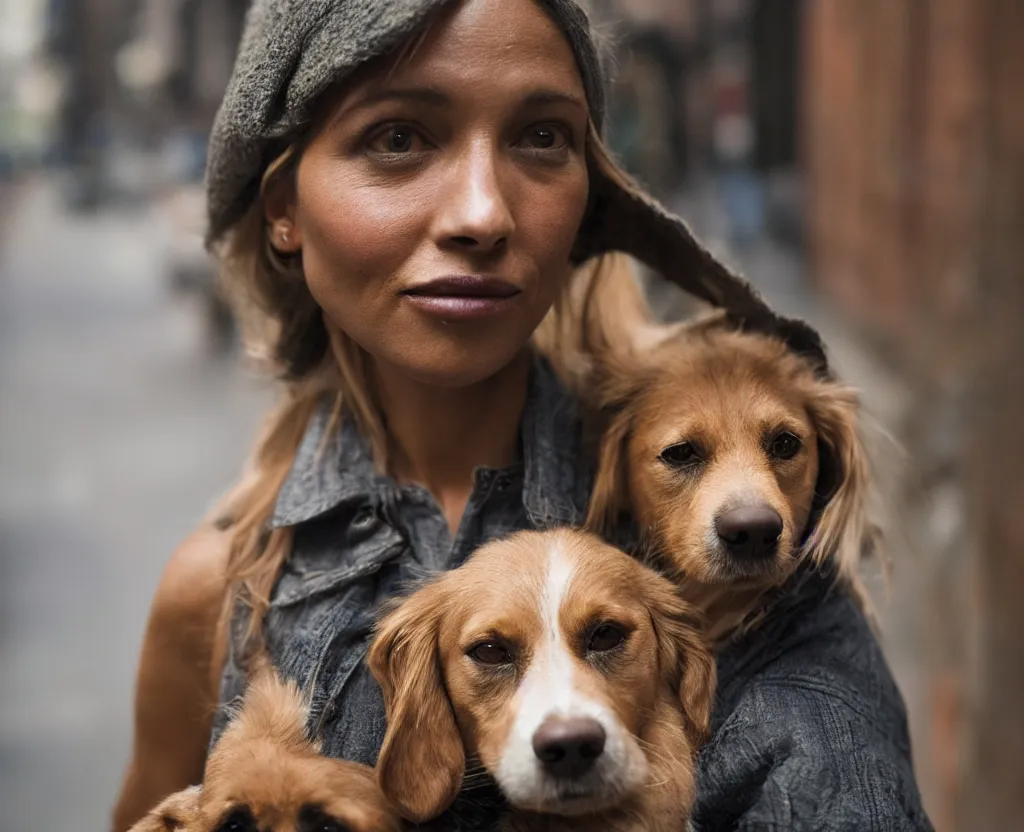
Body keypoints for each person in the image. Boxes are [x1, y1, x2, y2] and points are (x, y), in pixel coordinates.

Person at [112, 1, 933, 830]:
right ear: (284, 206)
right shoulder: (219, 594)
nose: (484, 214)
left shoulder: (724, 536)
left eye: (542, 137)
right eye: (398, 138)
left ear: (585, 198)